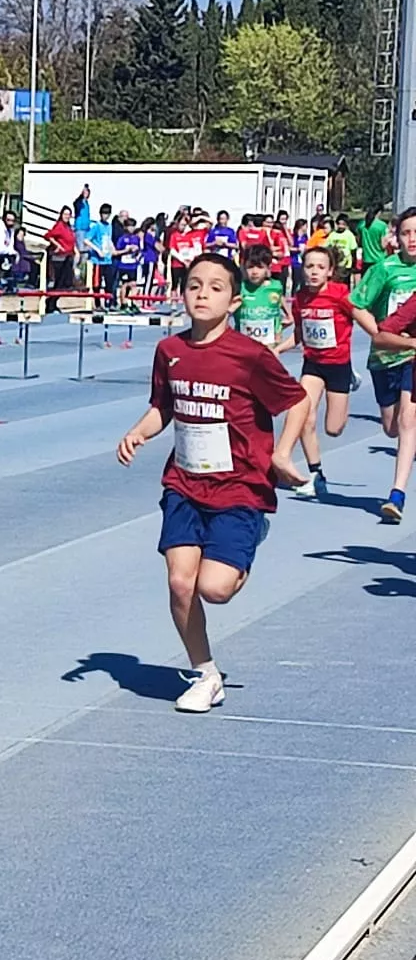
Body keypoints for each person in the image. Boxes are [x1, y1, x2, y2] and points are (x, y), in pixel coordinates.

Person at [116, 254, 308, 713]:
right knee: (181, 583)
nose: (203, 294)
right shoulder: (169, 351)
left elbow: (296, 401)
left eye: (215, 287)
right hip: (184, 483)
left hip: (240, 487)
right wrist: (138, 432)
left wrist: (281, 454)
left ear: (234, 300)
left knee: (215, 589)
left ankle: (252, 532)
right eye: (194, 285)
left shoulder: (249, 356)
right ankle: (205, 673)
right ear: (181, 293)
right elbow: (163, 406)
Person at [349, 208, 416, 523]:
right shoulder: (384, 269)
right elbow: (355, 304)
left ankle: (397, 494)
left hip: (412, 359)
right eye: (406, 233)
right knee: (391, 427)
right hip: (385, 357)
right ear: (396, 237)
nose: (412, 239)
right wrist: (379, 333)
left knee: (408, 421)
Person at [289, 244, 371, 498]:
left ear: (330, 271)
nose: (314, 272)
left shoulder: (340, 294)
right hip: (313, 364)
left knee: (334, 429)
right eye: (310, 266)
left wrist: (384, 337)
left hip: (338, 365)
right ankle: (316, 473)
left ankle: (351, 378)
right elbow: (299, 336)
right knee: (303, 415)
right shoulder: (300, 298)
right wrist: (276, 348)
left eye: (320, 267)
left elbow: (364, 319)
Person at [231, 244, 288, 352]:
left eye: (260, 267)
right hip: (243, 346)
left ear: (268, 268)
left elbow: (286, 313)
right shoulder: (239, 288)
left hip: (269, 346)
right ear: (243, 266)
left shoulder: (276, 286)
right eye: (250, 267)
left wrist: (279, 329)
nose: (255, 272)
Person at [45, 206, 77, 293]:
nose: (67, 216)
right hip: (59, 258)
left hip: (68, 256)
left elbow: (71, 241)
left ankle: (53, 303)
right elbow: (48, 235)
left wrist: (76, 251)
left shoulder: (68, 227)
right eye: (65, 214)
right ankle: (50, 303)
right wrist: (57, 245)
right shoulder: (59, 225)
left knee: (64, 283)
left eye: (68, 214)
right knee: (59, 282)